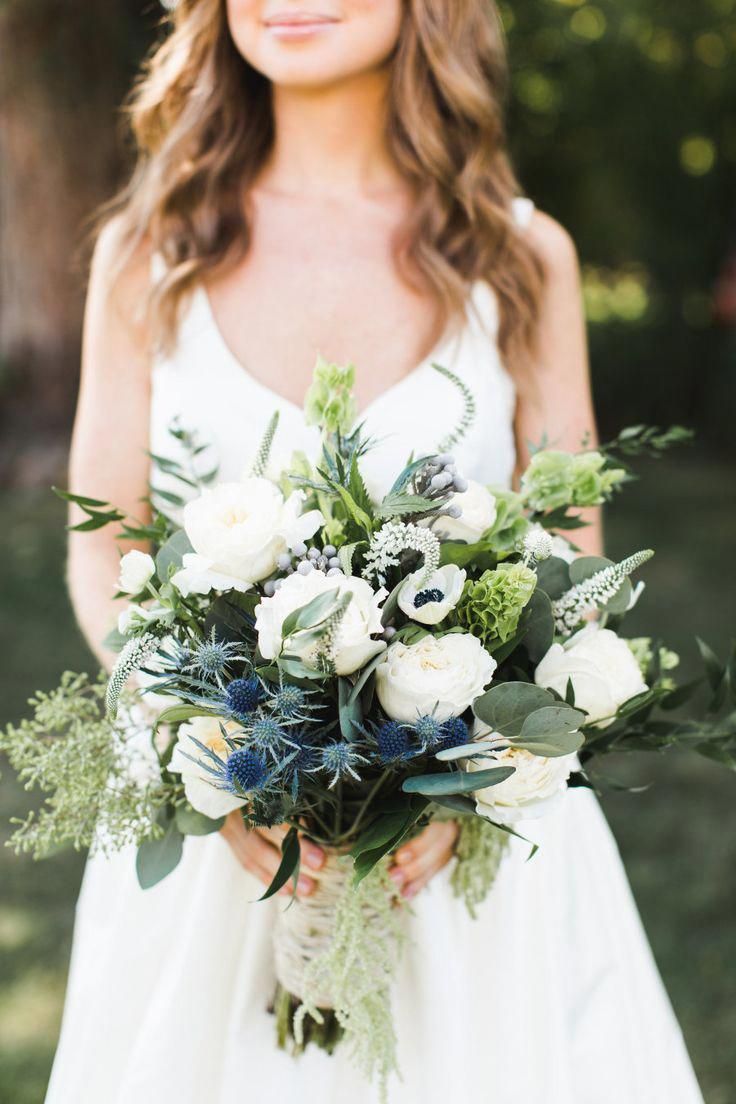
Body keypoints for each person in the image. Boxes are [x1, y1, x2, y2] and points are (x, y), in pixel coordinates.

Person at [47, 2, 704, 1101]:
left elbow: (572, 566)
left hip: (472, 860)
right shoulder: (148, 251)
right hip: (217, 846)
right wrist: (204, 755)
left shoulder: (518, 258)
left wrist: (475, 784)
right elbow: (99, 547)